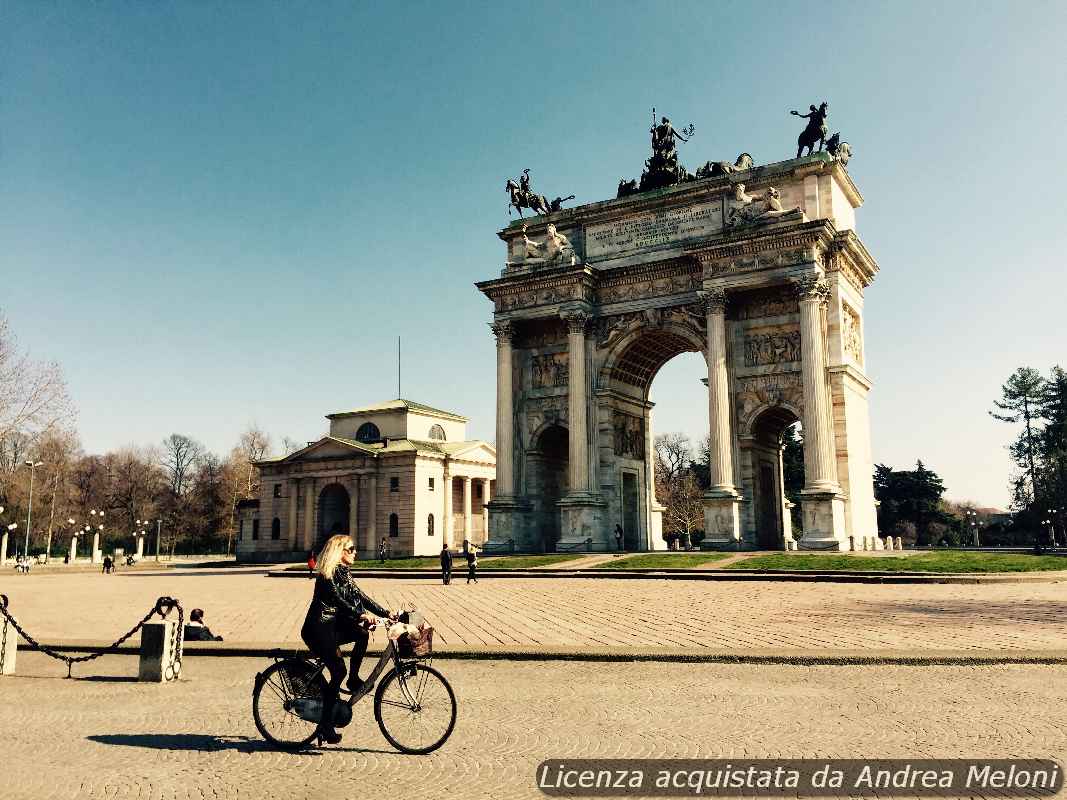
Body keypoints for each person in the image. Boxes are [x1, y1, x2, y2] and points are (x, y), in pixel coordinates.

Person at [301, 535, 399, 745]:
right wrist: (360, 614)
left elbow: (360, 596)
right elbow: (338, 600)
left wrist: (386, 613)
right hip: (318, 629)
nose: (355, 552)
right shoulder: (327, 574)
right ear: (339, 551)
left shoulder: (344, 572)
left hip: (332, 627)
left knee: (362, 633)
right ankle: (325, 726)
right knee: (338, 671)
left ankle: (353, 679)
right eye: (351, 549)